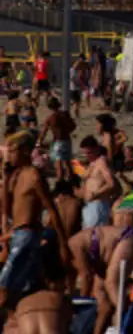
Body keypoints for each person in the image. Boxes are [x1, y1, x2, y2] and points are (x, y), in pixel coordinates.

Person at [0, 131, 72, 312]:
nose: (9, 156)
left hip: (28, 233)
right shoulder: (17, 175)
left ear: (25, 151)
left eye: (12, 151)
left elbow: (52, 210)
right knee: (17, 288)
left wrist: (63, 244)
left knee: (4, 286)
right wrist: (6, 177)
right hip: (19, 233)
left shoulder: (34, 176)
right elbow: (6, 207)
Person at [79, 136, 120, 228]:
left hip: (98, 203)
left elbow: (111, 183)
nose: (87, 156)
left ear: (97, 149)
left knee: (95, 233)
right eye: (85, 153)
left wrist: (95, 194)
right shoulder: (92, 163)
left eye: (90, 153)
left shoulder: (102, 162)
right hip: (89, 205)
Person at [36, 98, 75, 182]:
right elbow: (73, 126)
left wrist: (39, 142)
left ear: (50, 107)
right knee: (68, 164)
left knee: (59, 166)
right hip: (67, 141)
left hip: (57, 142)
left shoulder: (50, 118)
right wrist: (66, 131)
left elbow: (44, 132)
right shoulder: (65, 114)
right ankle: (72, 182)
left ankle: (60, 184)